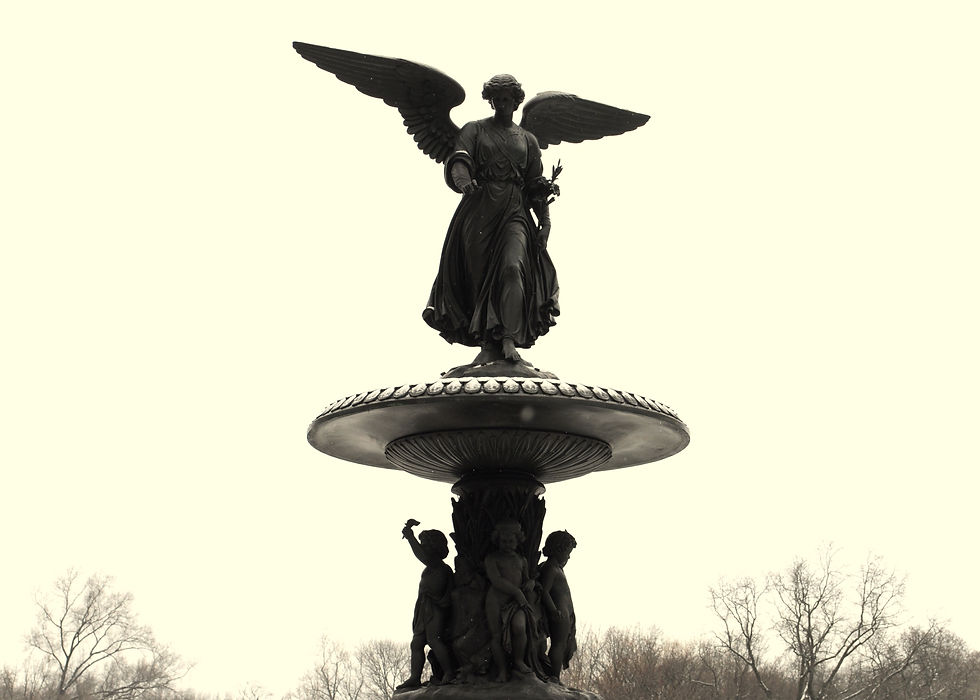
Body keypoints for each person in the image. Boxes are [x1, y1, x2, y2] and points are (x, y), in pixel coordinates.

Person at [423, 74, 560, 364]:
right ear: (491, 100)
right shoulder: (474, 130)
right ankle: (487, 342)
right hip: (479, 209)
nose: (501, 103)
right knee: (479, 276)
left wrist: (545, 222)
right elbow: (459, 160)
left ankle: (509, 338)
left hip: (514, 210)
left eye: (507, 98)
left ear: (516, 100)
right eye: (496, 98)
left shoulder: (528, 140)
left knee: (512, 268)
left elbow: (535, 184)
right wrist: (464, 182)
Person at [397, 523, 455, 688]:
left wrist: (410, 537)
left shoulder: (439, 566)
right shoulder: (430, 567)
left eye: (425, 545)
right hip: (424, 607)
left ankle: (449, 672)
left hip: (435, 607)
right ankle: (415, 677)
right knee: (416, 643)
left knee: (434, 639)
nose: (423, 549)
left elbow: (422, 556)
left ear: (434, 548)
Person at [483, 520, 540, 681]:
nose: (507, 544)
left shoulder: (522, 560)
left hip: (516, 602)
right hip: (496, 600)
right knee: (496, 635)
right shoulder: (492, 558)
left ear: (517, 541)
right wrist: (517, 592)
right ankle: (502, 671)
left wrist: (531, 582)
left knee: (519, 627)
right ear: (498, 541)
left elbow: (526, 579)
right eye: (503, 541)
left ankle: (518, 661)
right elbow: (496, 580)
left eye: (511, 541)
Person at [539, 530, 578, 683]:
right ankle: (553, 677)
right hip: (559, 614)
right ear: (558, 550)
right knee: (558, 645)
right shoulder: (550, 569)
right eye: (567, 553)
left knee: (561, 645)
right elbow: (544, 590)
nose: (568, 557)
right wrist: (553, 610)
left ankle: (554, 675)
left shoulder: (557, 569)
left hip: (565, 614)